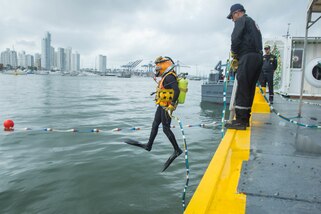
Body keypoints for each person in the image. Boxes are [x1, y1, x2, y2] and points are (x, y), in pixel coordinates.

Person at [125, 56, 182, 172]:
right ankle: (148, 145)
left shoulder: (170, 76)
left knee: (166, 129)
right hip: (161, 105)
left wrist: (171, 105)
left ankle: (177, 150)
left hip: (166, 106)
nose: (157, 68)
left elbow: (176, 90)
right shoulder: (166, 76)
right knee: (155, 124)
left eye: (158, 65)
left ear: (165, 64)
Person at [225, 3, 263, 130]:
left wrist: (235, 54)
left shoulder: (242, 20)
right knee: (249, 88)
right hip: (257, 58)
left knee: (242, 88)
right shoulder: (252, 22)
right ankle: (245, 118)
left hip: (247, 57)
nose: (232, 20)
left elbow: (235, 38)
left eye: (232, 17)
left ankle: (240, 120)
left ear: (237, 13)